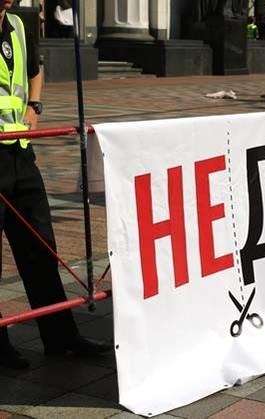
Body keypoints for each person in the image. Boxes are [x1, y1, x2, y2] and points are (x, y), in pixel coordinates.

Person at [0, 0, 110, 370]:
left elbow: (35, 71)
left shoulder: (17, 25)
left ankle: (60, 336)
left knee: (40, 246)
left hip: (20, 151)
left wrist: (34, 106)